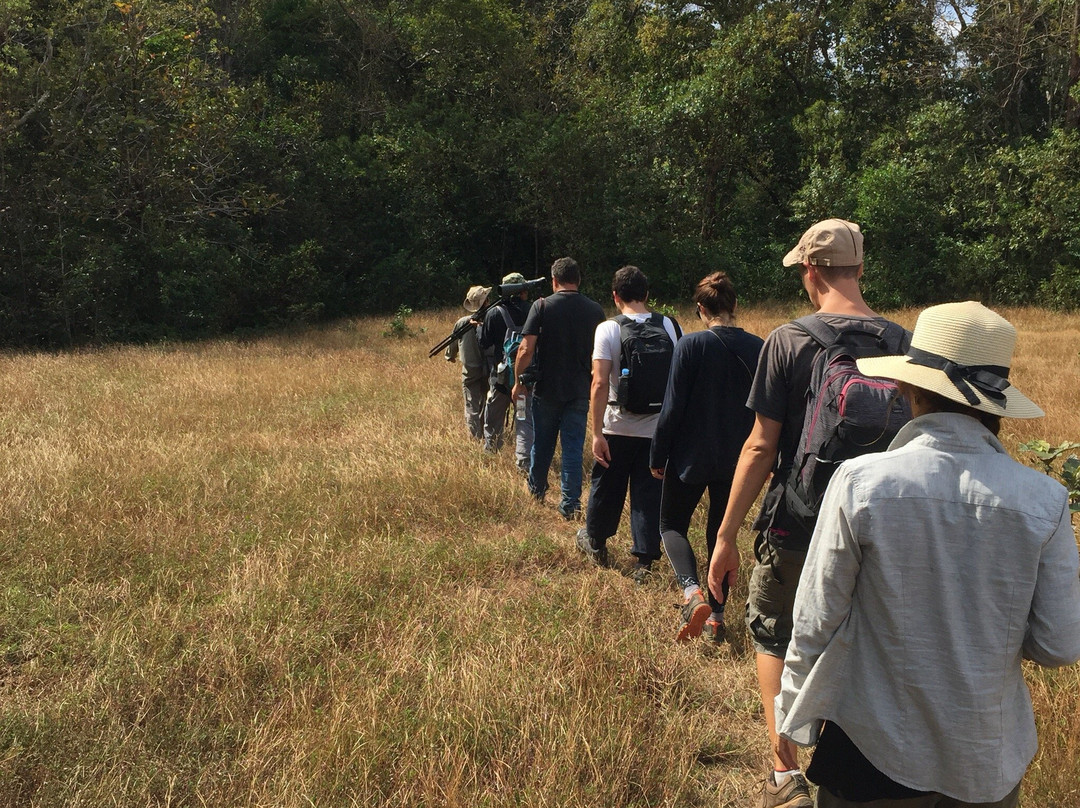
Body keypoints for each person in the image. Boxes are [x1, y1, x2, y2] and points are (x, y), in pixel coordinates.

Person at [775, 301, 1080, 808]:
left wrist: (792, 710)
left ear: (908, 388)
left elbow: (816, 618)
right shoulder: (1044, 501)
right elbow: (1059, 646)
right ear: (995, 403)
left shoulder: (862, 483)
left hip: (871, 747)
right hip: (986, 760)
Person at [707, 219, 909, 808]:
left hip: (797, 523)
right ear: (861, 268)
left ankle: (784, 769)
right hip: (878, 526)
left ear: (811, 271)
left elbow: (760, 446)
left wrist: (725, 534)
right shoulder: (903, 342)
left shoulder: (788, 340)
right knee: (861, 637)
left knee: (774, 631)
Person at [649, 272, 762, 641]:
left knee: (670, 524)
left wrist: (658, 455)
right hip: (739, 459)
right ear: (734, 306)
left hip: (690, 457)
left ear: (701, 309)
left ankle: (691, 591)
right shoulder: (759, 347)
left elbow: (671, 409)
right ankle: (716, 616)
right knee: (721, 533)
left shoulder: (691, 345)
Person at [575, 265, 682, 581]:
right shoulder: (670, 326)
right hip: (657, 430)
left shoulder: (607, 329)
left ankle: (596, 542)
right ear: (647, 295)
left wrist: (596, 433)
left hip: (617, 426)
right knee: (649, 493)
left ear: (615, 296)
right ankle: (645, 561)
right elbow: (680, 379)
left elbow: (598, 383)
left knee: (606, 487)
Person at [512, 257, 605, 520]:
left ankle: (537, 491)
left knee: (542, 443)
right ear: (578, 280)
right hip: (579, 389)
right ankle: (570, 504)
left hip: (547, 388)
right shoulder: (595, 310)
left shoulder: (541, 306)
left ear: (554, 281)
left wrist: (518, 382)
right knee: (573, 447)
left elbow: (525, 348)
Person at [478, 272, 534, 471]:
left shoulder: (494, 313)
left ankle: (491, 454)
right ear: (522, 291)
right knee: (523, 420)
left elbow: (484, 343)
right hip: (525, 380)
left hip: (501, 379)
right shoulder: (534, 310)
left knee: (493, 417)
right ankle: (523, 463)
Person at [444, 284, 491, 440]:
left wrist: (450, 356)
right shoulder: (492, 319)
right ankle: (484, 433)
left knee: (471, 403)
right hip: (490, 368)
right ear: (486, 302)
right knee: (486, 400)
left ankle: (474, 436)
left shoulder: (462, 322)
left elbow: (452, 343)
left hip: (470, 369)